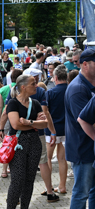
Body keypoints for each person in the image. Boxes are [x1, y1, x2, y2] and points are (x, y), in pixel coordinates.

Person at [2, 75, 47, 209]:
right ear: (23, 87)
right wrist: (35, 124)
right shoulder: (13, 103)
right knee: (17, 178)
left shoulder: (36, 103)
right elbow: (15, 125)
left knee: (29, 179)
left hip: (34, 143)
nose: (36, 86)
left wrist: (29, 122)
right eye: (33, 84)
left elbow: (45, 124)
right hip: (18, 144)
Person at [65, 48, 95, 209]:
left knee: (92, 190)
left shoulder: (89, 85)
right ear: (85, 64)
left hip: (89, 147)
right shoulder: (77, 88)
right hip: (82, 148)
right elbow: (84, 120)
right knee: (81, 191)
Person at [45, 65, 68, 194]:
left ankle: (49, 187)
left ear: (56, 77)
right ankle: (62, 186)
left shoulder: (50, 92)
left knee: (47, 158)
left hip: (52, 128)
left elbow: (46, 112)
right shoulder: (71, 90)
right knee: (62, 159)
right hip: (66, 129)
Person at [0, 69, 23, 178]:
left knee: (7, 144)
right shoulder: (22, 89)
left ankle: (4, 170)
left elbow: (0, 107)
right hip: (20, 119)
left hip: (7, 119)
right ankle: (16, 167)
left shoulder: (3, 89)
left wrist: (0, 123)